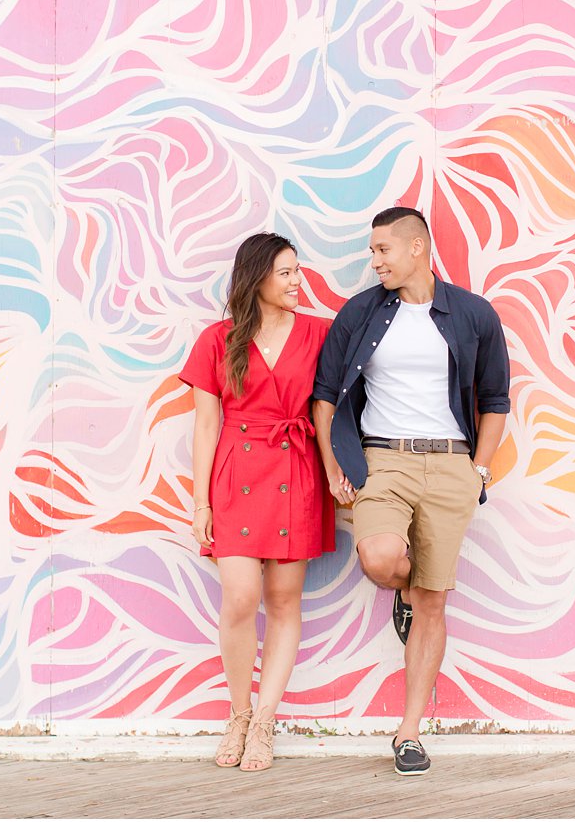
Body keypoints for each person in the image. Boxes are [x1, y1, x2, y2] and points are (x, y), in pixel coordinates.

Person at [311, 206, 510, 776]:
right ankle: (402, 591)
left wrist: (478, 470)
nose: (374, 262)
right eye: (373, 253)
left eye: (382, 251)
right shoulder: (362, 313)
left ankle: (409, 733)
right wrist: (332, 464)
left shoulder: (472, 314)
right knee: (380, 557)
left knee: (433, 600)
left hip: (451, 466)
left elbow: (495, 400)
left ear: (417, 248)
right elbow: (325, 396)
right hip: (383, 460)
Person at [179, 232, 336, 772]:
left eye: (298, 270)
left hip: (296, 467)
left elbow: (337, 408)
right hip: (237, 470)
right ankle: (239, 713)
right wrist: (201, 504)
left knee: (285, 600)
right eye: (286, 273)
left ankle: (266, 721)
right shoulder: (217, 340)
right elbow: (205, 425)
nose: (298, 281)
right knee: (241, 597)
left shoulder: (320, 333)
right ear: (256, 279)